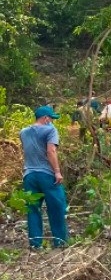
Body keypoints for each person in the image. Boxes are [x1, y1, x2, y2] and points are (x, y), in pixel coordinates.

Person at [20, 106, 69, 249]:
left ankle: (35, 244)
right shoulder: (50, 130)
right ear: (46, 118)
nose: (53, 121)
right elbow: (51, 150)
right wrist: (57, 171)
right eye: (52, 118)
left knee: (33, 209)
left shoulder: (23, 132)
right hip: (47, 175)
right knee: (57, 207)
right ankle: (60, 242)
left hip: (29, 175)